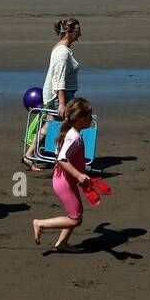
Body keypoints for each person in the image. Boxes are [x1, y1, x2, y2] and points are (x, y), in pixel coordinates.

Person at [32, 98, 94, 252]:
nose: (92, 119)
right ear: (81, 119)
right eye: (89, 116)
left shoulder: (70, 133)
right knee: (76, 219)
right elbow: (62, 159)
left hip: (64, 180)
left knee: (74, 213)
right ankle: (40, 224)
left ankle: (62, 243)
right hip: (64, 182)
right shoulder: (74, 137)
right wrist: (79, 175)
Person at [25, 17, 81, 170]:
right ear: (69, 32)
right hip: (61, 97)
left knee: (48, 127)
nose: (80, 34)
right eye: (77, 31)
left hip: (60, 95)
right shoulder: (62, 52)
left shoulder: (61, 49)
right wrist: (62, 103)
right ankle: (63, 160)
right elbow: (59, 80)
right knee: (67, 127)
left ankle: (29, 156)